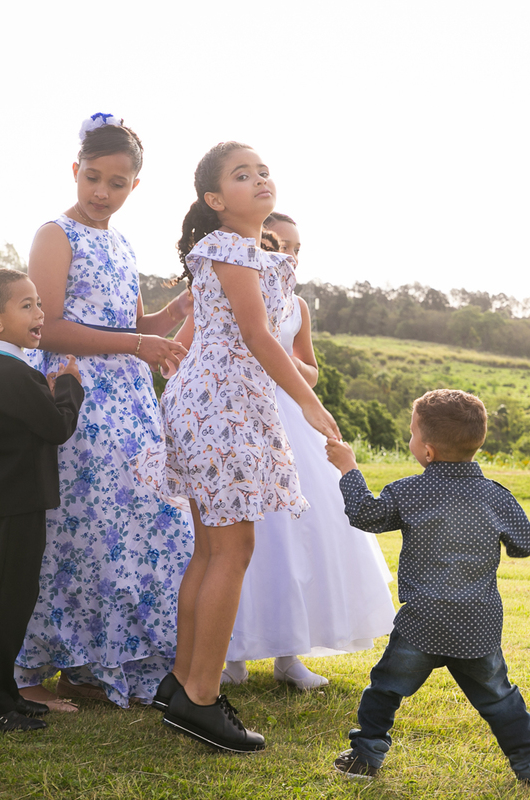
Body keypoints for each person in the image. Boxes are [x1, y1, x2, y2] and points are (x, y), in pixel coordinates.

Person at [0, 114, 194, 710]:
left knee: (121, 530)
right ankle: (24, 666)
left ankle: (90, 663)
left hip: (128, 404)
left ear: (134, 187)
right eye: (93, 177)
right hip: (73, 396)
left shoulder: (121, 242)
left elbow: (137, 323)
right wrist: (139, 346)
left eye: (117, 183)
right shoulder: (55, 234)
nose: (101, 192)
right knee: (60, 529)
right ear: (75, 170)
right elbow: (48, 329)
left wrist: (192, 298)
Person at [133, 142, 340, 753]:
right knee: (232, 550)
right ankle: (200, 699)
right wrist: (309, 401)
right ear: (216, 201)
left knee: (210, 551)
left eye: (264, 171)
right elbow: (254, 334)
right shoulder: (227, 247)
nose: (260, 180)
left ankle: (180, 683)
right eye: (242, 176)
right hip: (224, 409)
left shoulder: (242, 251)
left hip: (216, 403)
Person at [324, 389, 530, 787]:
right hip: (477, 626)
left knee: (385, 689)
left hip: (422, 623)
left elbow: (365, 514)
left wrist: (349, 469)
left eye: (411, 433)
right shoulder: (495, 496)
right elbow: (528, 543)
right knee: (499, 697)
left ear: (427, 451)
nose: (409, 439)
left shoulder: (409, 492)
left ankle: (366, 756)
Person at [218, 213, 394, 690]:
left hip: (291, 420)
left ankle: (288, 657)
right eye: (281, 246)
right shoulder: (234, 283)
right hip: (240, 418)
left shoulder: (296, 305)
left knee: (298, 535)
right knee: (238, 533)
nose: (290, 255)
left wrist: (286, 360)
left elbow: (311, 371)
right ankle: (229, 655)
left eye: (297, 248)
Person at [0, 269, 84, 732]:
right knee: (2, 606)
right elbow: (56, 428)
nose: (40, 312)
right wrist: (69, 386)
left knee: (7, 602)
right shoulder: (13, 374)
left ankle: (3, 691)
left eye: (38, 303)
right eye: (26, 305)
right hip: (14, 508)